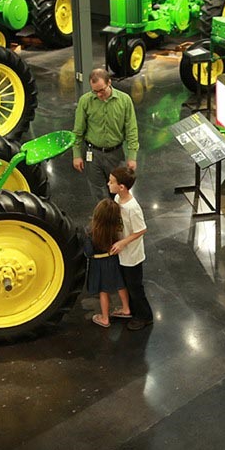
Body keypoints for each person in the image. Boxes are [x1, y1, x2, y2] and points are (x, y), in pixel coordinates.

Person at [72, 69, 140, 203]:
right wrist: (76, 154)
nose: (99, 95)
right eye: (95, 91)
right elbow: (78, 131)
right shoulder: (85, 101)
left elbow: (131, 130)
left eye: (101, 90)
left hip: (115, 155)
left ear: (109, 82)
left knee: (119, 193)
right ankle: (105, 221)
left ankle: (119, 221)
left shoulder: (125, 100)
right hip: (93, 155)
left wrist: (132, 156)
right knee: (98, 194)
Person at [108, 167, 153, 330]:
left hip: (132, 254)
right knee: (128, 284)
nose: (108, 184)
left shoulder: (132, 208)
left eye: (111, 182)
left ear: (122, 187)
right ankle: (132, 310)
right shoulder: (118, 200)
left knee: (135, 287)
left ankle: (145, 316)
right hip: (123, 252)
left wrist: (122, 242)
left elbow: (141, 230)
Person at [84, 199, 131, 328]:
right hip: (113, 260)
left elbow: (88, 252)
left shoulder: (90, 230)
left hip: (98, 264)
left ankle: (105, 318)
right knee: (120, 285)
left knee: (103, 291)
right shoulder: (116, 229)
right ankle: (126, 308)